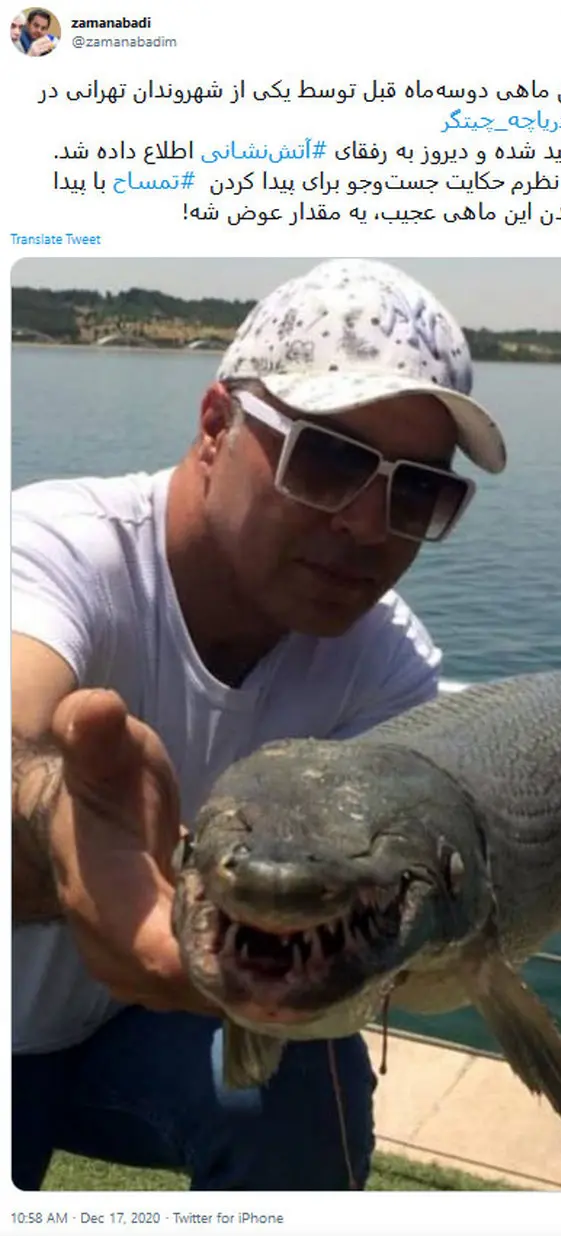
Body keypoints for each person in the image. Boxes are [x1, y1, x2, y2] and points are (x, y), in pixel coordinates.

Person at [12, 258, 507, 1191]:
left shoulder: (385, 663)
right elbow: (15, 731)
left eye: (416, 491)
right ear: (215, 427)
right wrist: (58, 819)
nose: (370, 525)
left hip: (134, 1035)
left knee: (306, 1081)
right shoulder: (56, 548)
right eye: (329, 459)